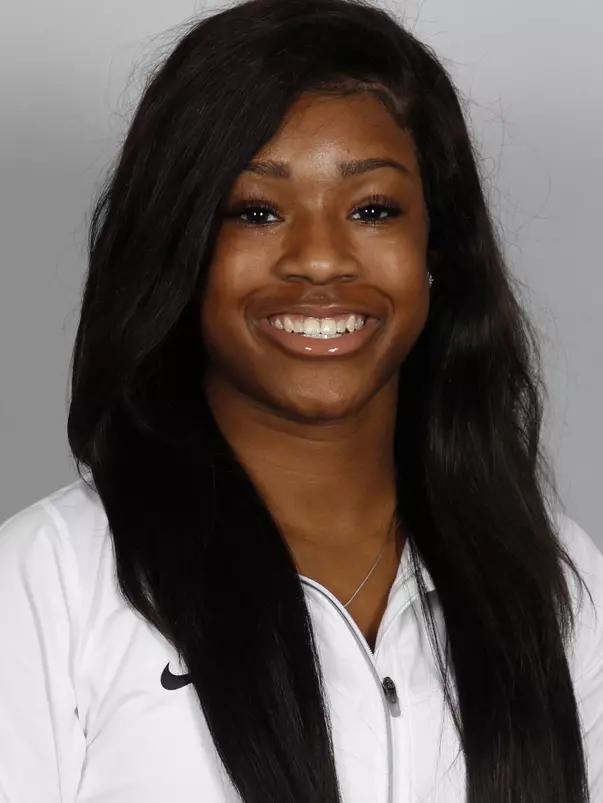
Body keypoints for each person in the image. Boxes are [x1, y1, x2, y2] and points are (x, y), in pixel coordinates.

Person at [0, 0, 601, 800]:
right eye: (255, 211)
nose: (319, 259)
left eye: (372, 209)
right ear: (179, 249)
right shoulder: (46, 584)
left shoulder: (547, 575)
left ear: (436, 252)